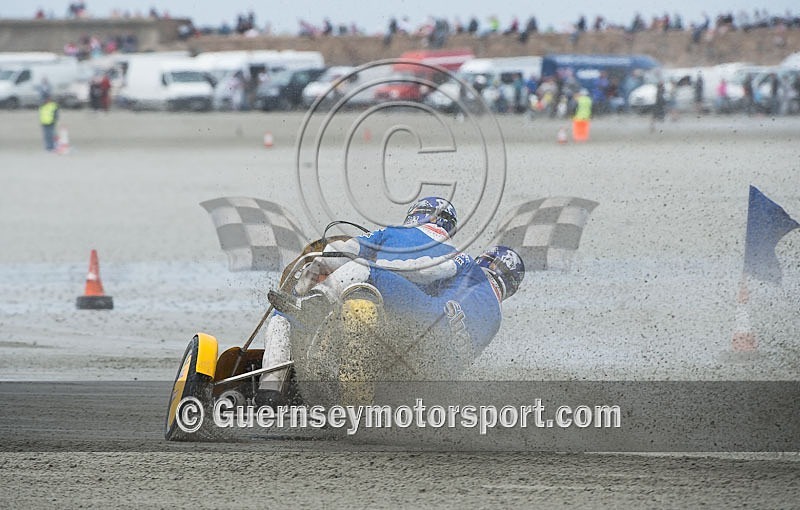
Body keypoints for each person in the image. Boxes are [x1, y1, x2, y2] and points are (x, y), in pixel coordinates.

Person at [258, 197, 460, 402]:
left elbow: (343, 252)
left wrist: (302, 286)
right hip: (414, 338)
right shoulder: (456, 258)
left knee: (281, 316)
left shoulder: (390, 235)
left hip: (362, 308)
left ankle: (269, 392)